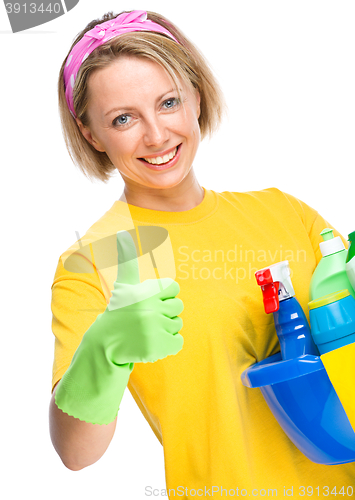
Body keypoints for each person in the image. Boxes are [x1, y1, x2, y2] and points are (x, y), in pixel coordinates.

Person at [49, 9, 355, 497]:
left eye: (167, 102)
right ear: (91, 134)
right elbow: (75, 453)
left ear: (194, 95)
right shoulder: (95, 261)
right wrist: (103, 353)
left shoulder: (286, 213)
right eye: (122, 118)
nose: (155, 135)